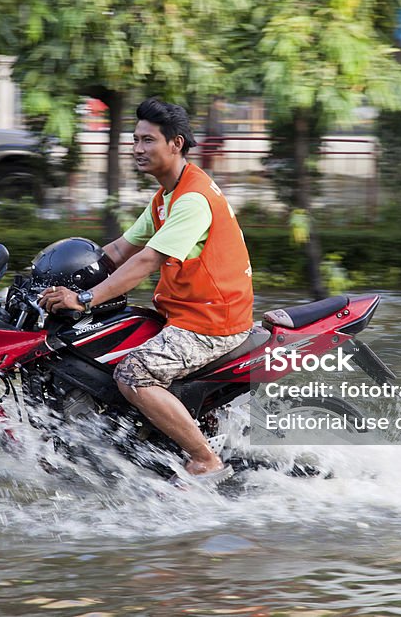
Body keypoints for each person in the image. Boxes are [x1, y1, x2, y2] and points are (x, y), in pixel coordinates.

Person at [39, 98, 254, 485]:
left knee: (134, 374)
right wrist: (58, 278)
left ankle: (205, 458)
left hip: (212, 322)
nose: (138, 149)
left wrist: (85, 298)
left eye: (148, 140)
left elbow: (145, 261)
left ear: (176, 144)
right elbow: (119, 251)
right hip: (184, 314)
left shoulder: (192, 199)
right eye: (135, 140)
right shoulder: (165, 197)